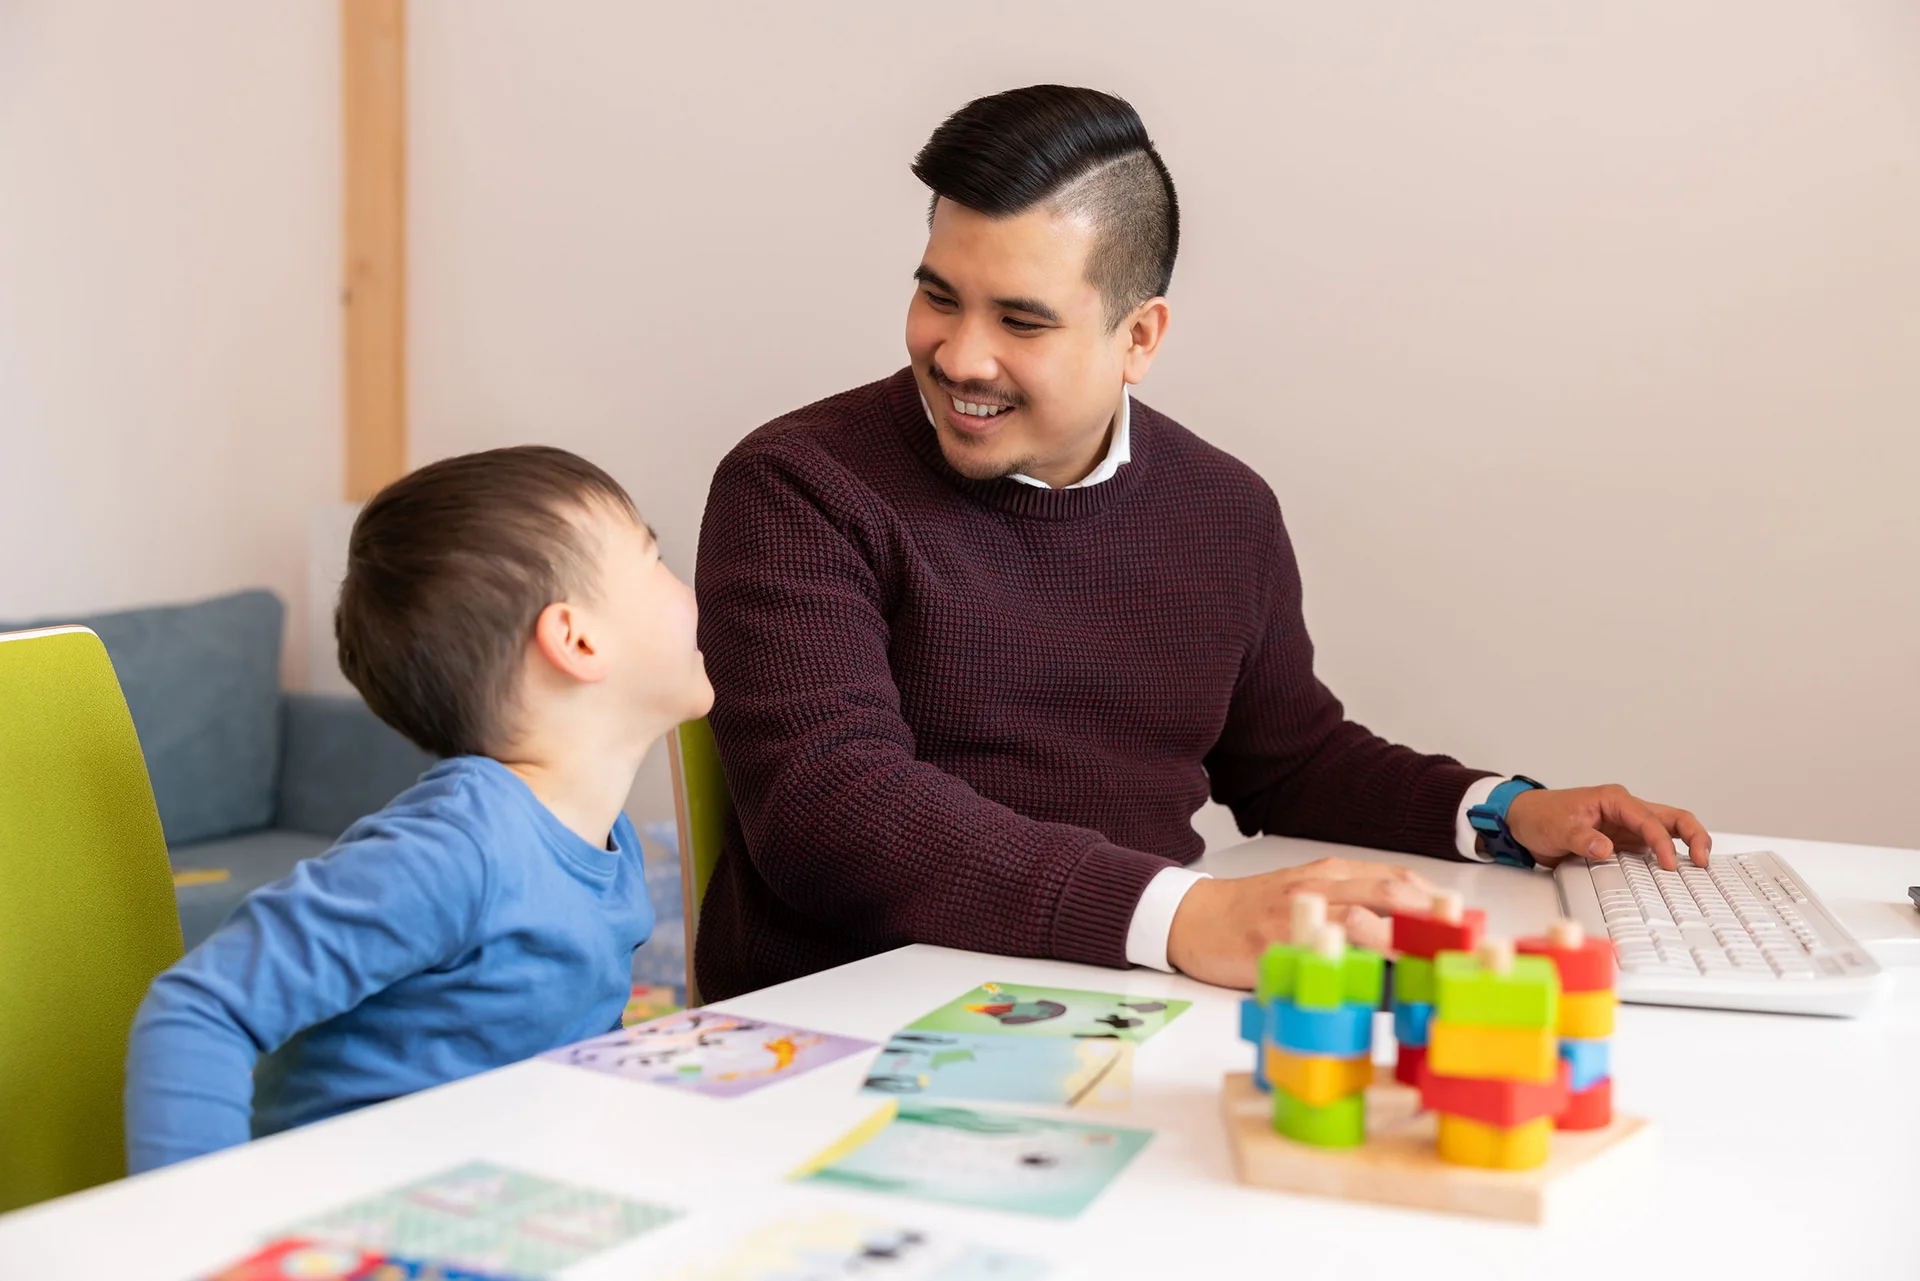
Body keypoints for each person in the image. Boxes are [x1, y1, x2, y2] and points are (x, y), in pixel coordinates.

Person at [691, 84, 1710, 1002]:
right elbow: (831, 807)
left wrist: (1501, 811)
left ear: (1140, 337)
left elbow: (1290, 759)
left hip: (1123, 994)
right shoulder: (798, 486)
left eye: (1022, 320)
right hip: (849, 1020)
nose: (960, 355)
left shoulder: (1225, 511)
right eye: (940, 297)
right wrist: (1184, 917)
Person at [123, 446, 712, 1172]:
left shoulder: (601, 836)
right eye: (654, 556)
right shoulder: (457, 847)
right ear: (576, 638)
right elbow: (200, 1006)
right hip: (344, 1222)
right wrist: (193, 1231)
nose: (688, 585)